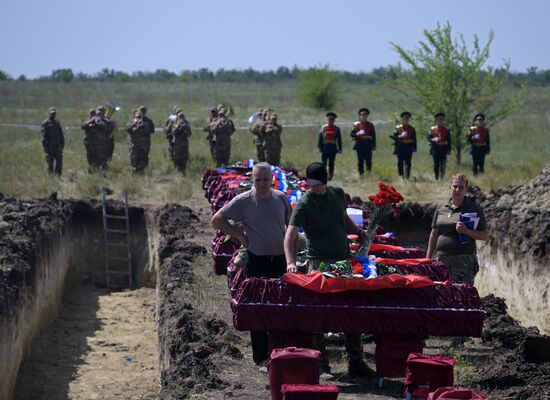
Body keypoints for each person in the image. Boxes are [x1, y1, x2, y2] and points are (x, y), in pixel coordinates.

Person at [284, 162, 373, 378]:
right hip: (319, 264)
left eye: (320, 184)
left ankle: (356, 362)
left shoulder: (337, 193)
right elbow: (290, 236)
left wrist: (359, 233)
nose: (317, 189)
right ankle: (322, 364)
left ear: (327, 180)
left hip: (344, 262)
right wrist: (291, 262)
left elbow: (343, 219)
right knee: (319, 314)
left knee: (351, 311)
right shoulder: (304, 204)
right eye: (313, 185)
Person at [212, 162, 292, 367]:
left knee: (281, 307)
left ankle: (281, 351)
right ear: (253, 179)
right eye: (258, 180)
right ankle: (261, 357)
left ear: (272, 179)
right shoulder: (244, 201)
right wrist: (238, 235)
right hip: (257, 260)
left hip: (280, 260)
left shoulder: (280, 198)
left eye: (265, 180)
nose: (262, 184)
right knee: (258, 308)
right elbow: (217, 219)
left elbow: (290, 226)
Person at [426, 173, 488, 284]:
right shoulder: (441, 208)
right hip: (441, 258)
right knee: (441, 293)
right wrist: (428, 258)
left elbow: (484, 235)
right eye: (455, 186)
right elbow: (434, 233)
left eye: (461, 187)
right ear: (450, 187)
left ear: (466, 190)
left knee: (462, 294)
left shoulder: (474, 209)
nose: (457, 189)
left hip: (463, 260)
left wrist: (467, 231)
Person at [391, 111, 417, 179]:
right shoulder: (398, 128)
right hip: (400, 147)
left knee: (408, 163)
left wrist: (414, 147)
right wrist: (399, 136)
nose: (406, 119)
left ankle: (407, 177)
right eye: (405, 118)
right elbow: (394, 137)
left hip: (408, 148)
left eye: (407, 118)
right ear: (402, 119)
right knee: (400, 163)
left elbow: (414, 139)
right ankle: (401, 177)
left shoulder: (412, 128)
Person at [350, 108, 376, 176]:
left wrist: (374, 145)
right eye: (361, 115)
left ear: (367, 116)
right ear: (359, 116)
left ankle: (368, 174)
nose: (363, 116)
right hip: (359, 144)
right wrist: (357, 134)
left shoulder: (370, 125)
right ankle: (361, 175)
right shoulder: (356, 124)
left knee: (368, 161)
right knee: (360, 161)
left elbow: (373, 135)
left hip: (368, 145)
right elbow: (352, 134)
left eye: (365, 114)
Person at [318, 112, 342, 180]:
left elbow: (339, 139)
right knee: (323, 164)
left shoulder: (336, 128)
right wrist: (319, 147)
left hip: (333, 148)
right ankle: (324, 176)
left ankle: (330, 176)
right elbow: (320, 138)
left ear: (334, 120)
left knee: (331, 164)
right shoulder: (324, 128)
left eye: (332, 119)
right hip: (325, 148)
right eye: (329, 119)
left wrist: (340, 149)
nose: (331, 120)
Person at [41, 107, 64, 176]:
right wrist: (45, 147)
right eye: (51, 113)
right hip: (49, 147)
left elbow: (61, 134)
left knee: (59, 161)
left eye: (54, 113)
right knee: (50, 162)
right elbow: (44, 136)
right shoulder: (45, 123)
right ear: (49, 113)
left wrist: (62, 145)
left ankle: (58, 175)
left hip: (57, 146)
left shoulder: (57, 122)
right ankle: (51, 176)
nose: (53, 114)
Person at [427, 112, 451, 180]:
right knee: (436, 164)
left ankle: (442, 177)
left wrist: (449, 150)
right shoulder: (433, 129)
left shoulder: (446, 130)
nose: (440, 121)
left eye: (442, 119)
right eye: (439, 119)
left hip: (443, 148)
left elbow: (449, 141)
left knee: (443, 164)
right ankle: (436, 177)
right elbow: (428, 137)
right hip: (435, 148)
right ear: (436, 120)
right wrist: (433, 139)